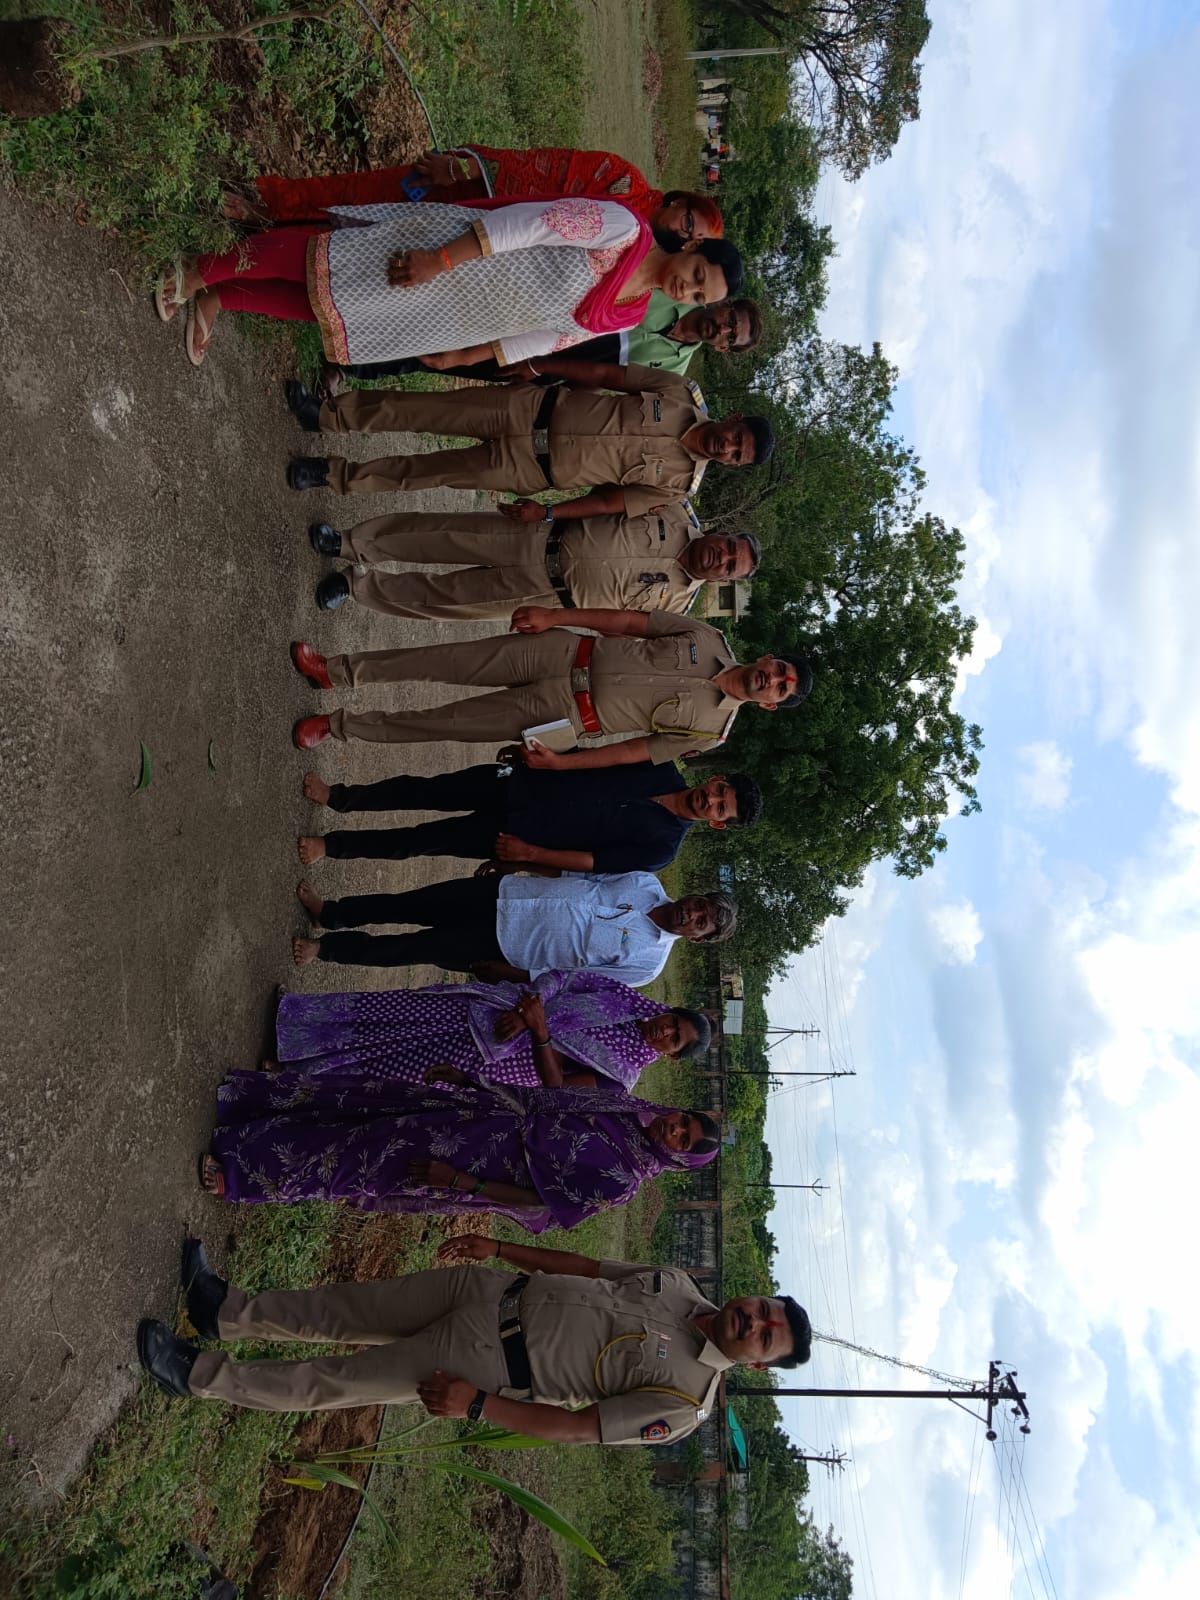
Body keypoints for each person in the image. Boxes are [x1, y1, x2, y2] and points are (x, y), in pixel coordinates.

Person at [139, 1234, 812, 1439]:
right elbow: (586, 1269)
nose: (754, 1322)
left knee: (333, 1383)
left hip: (483, 1362)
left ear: (758, 1364)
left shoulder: (687, 1403)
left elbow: (578, 1429)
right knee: (345, 1306)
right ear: (758, 1295)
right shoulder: (681, 1285)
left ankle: (196, 1376)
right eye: (764, 1310)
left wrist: (478, 1406)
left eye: (765, 1337)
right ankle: (225, 1311)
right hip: (489, 1291)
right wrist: (499, 1249)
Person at [154, 200, 743, 369]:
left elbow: (549, 339)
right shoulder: (622, 230)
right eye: (697, 277)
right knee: (327, 262)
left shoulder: (630, 315)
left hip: (455, 314)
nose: (688, 292)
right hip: (457, 256)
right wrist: (442, 258)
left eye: (699, 296)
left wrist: (467, 355)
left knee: (337, 309)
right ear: (691, 249)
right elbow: (533, 222)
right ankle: (204, 269)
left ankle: (223, 298)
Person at [199, 1070, 719, 1233]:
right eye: (683, 1121)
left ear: (679, 1159)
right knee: (359, 1108)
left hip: (462, 1162)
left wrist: (458, 1182)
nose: (674, 1129)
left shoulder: (622, 1182)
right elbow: (544, 1098)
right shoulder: (625, 1107)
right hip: (471, 1113)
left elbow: (539, 1204)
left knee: (355, 1163)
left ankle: (240, 1176)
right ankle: (247, 1114)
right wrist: (472, 1083)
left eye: (683, 1140)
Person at [287, 605, 813, 754]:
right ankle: (334, 671)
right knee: (442, 659)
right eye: (779, 670)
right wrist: (556, 617)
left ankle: (338, 726)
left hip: (566, 718)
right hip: (561, 651)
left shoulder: (710, 733)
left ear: (770, 704)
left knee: (443, 724)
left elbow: (633, 753)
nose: (773, 680)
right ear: (768, 658)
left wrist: (563, 762)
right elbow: (630, 622)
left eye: (781, 688)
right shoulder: (708, 636)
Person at [283, 356, 774, 504]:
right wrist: (541, 367)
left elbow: (608, 500)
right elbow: (607, 374)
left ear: (733, 466)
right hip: (528, 408)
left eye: (737, 456)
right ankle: (324, 416)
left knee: (423, 473)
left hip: (528, 470)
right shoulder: (680, 393)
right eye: (737, 439)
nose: (728, 448)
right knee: (421, 409)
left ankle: (329, 475)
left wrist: (547, 512)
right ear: (733, 420)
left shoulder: (678, 488)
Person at [296, 761, 764, 875]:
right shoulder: (661, 767)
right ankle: (340, 796)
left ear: (718, 823)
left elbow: (592, 863)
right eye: (719, 791)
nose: (711, 800)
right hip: (523, 783)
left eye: (720, 808)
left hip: (519, 835)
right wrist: (540, 754)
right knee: (425, 788)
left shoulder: (663, 849)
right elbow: (597, 756)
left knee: (420, 840)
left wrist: (528, 855)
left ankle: (332, 846)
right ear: (716, 778)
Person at [307, 502, 760, 619]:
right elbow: (608, 497)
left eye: (729, 566)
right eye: (728, 548)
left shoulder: (676, 608)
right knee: (438, 535)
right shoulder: (674, 509)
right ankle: (348, 542)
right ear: (724, 533)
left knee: (442, 600)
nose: (721, 558)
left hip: (545, 596)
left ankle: (355, 586)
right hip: (541, 536)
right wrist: (548, 510)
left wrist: (553, 620)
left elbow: (612, 623)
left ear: (724, 579)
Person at [264, 975, 713, 1093]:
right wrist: (529, 1005)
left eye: (674, 1038)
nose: (665, 1029)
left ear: (672, 1056)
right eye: (673, 1021)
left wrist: (536, 1028)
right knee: (386, 1012)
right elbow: (566, 977)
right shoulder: (624, 998)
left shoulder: (621, 1077)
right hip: (491, 1008)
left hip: (487, 1059)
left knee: (384, 1067)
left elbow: (557, 1088)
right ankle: (294, 1018)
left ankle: (289, 1072)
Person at [223, 144, 724, 243]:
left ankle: (264, 242)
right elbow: (545, 167)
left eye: (693, 239)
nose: (685, 235)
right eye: (689, 224)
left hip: (481, 242)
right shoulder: (624, 181)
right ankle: (265, 204)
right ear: (678, 202)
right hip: (473, 193)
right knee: (361, 195)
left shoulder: (639, 252)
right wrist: (461, 168)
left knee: (366, 240)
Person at [289, 872, 736, 980]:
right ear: (696, 895)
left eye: (701, 924)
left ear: (699, 939)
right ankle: (331, 914)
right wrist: (520, 863)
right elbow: (580, 875)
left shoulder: (648, 964)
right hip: (509, 893)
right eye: (700, 906)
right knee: (409, 903)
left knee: (411, 948)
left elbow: (575, 980)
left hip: (508, 947)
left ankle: (326, 950)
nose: (692, 915)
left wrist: (513, 975)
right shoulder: (647, 883)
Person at [324, 292, 764, 391]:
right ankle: (355, 324)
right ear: (724, 305)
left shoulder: (674, 371)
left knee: (448, 361)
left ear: (724, 349)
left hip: (541, 365)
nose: (724, 329)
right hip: (543, 316)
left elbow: (602, 383)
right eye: (731, 319)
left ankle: (352, 365)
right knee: (453, 322)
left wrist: (540, 378)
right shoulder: (672, 291)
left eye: (732, 336)